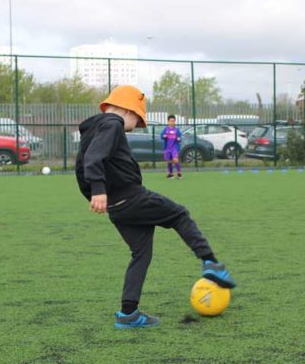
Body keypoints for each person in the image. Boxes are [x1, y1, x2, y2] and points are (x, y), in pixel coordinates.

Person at [75, 85, 236, 329]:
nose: (136, 126)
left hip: (117, 208)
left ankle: (128, 313)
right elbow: (93, 158)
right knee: (179, 214)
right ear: (129, 110)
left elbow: (82, 165)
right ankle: (211, 263)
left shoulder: (93, 129)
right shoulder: (113, 123)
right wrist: (98, 189)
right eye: (138, 120)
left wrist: (96, 193)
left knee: (141, 253)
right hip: (131, 198)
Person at [161, 115, 182, 179]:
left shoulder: (177, 130)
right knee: (169, 161)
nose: (172, 122)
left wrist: (178, 138)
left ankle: (179, 173)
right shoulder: (165, 129)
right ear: (168, 122)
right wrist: (164, 136)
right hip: (167, 148)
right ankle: (171, 174)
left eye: (173, 121)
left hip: (174, 148)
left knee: (175, 160)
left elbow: (180, 138)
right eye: (171, 121)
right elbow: (162, 136)